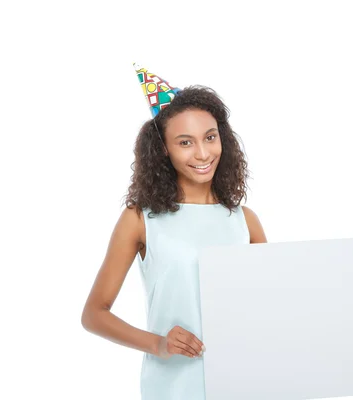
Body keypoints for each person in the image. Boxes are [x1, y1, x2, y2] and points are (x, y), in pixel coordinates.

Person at [81, 64, 267, 399]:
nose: (202, 153)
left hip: (242, 384)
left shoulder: (245, 221)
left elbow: (276, 308)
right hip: (172, 389)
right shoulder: (141, 219)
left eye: (210, 138)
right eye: (185, 142)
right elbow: (94, 314)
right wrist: (159, 343)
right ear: (163, 149)